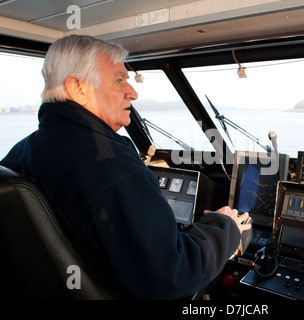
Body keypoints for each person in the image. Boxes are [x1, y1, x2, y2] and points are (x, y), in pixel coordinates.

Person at [0, 34, 251, 299]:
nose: (133, 92)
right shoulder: (108, 163)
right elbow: (173, 274)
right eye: (119, 80)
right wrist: (224, 227)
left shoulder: (22, 152)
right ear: (78, 88)